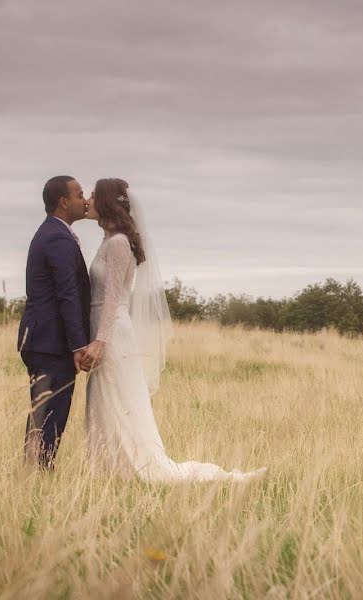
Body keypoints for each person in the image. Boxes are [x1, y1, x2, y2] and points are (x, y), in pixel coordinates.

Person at [81, 178, 266, 483]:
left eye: (92, 195)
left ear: (105, 202)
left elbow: (112, 300)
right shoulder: (110, 240)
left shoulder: (117, 244)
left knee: (116, 402)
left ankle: (134, 470)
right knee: (107, 404)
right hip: (107, 330)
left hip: (112, 334)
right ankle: (110, 470)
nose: (87, 199)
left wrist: (99, 341)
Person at [17, 175, 91, 469]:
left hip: (46, 340)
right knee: (50, 414)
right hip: (50, 343)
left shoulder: (54, 233)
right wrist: (78, 345)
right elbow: (67, 294)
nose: (84, 200)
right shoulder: (57, 237)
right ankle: (38, 472)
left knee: (45, 413)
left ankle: (34, 471)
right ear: (63, 201)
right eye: (79, 195)